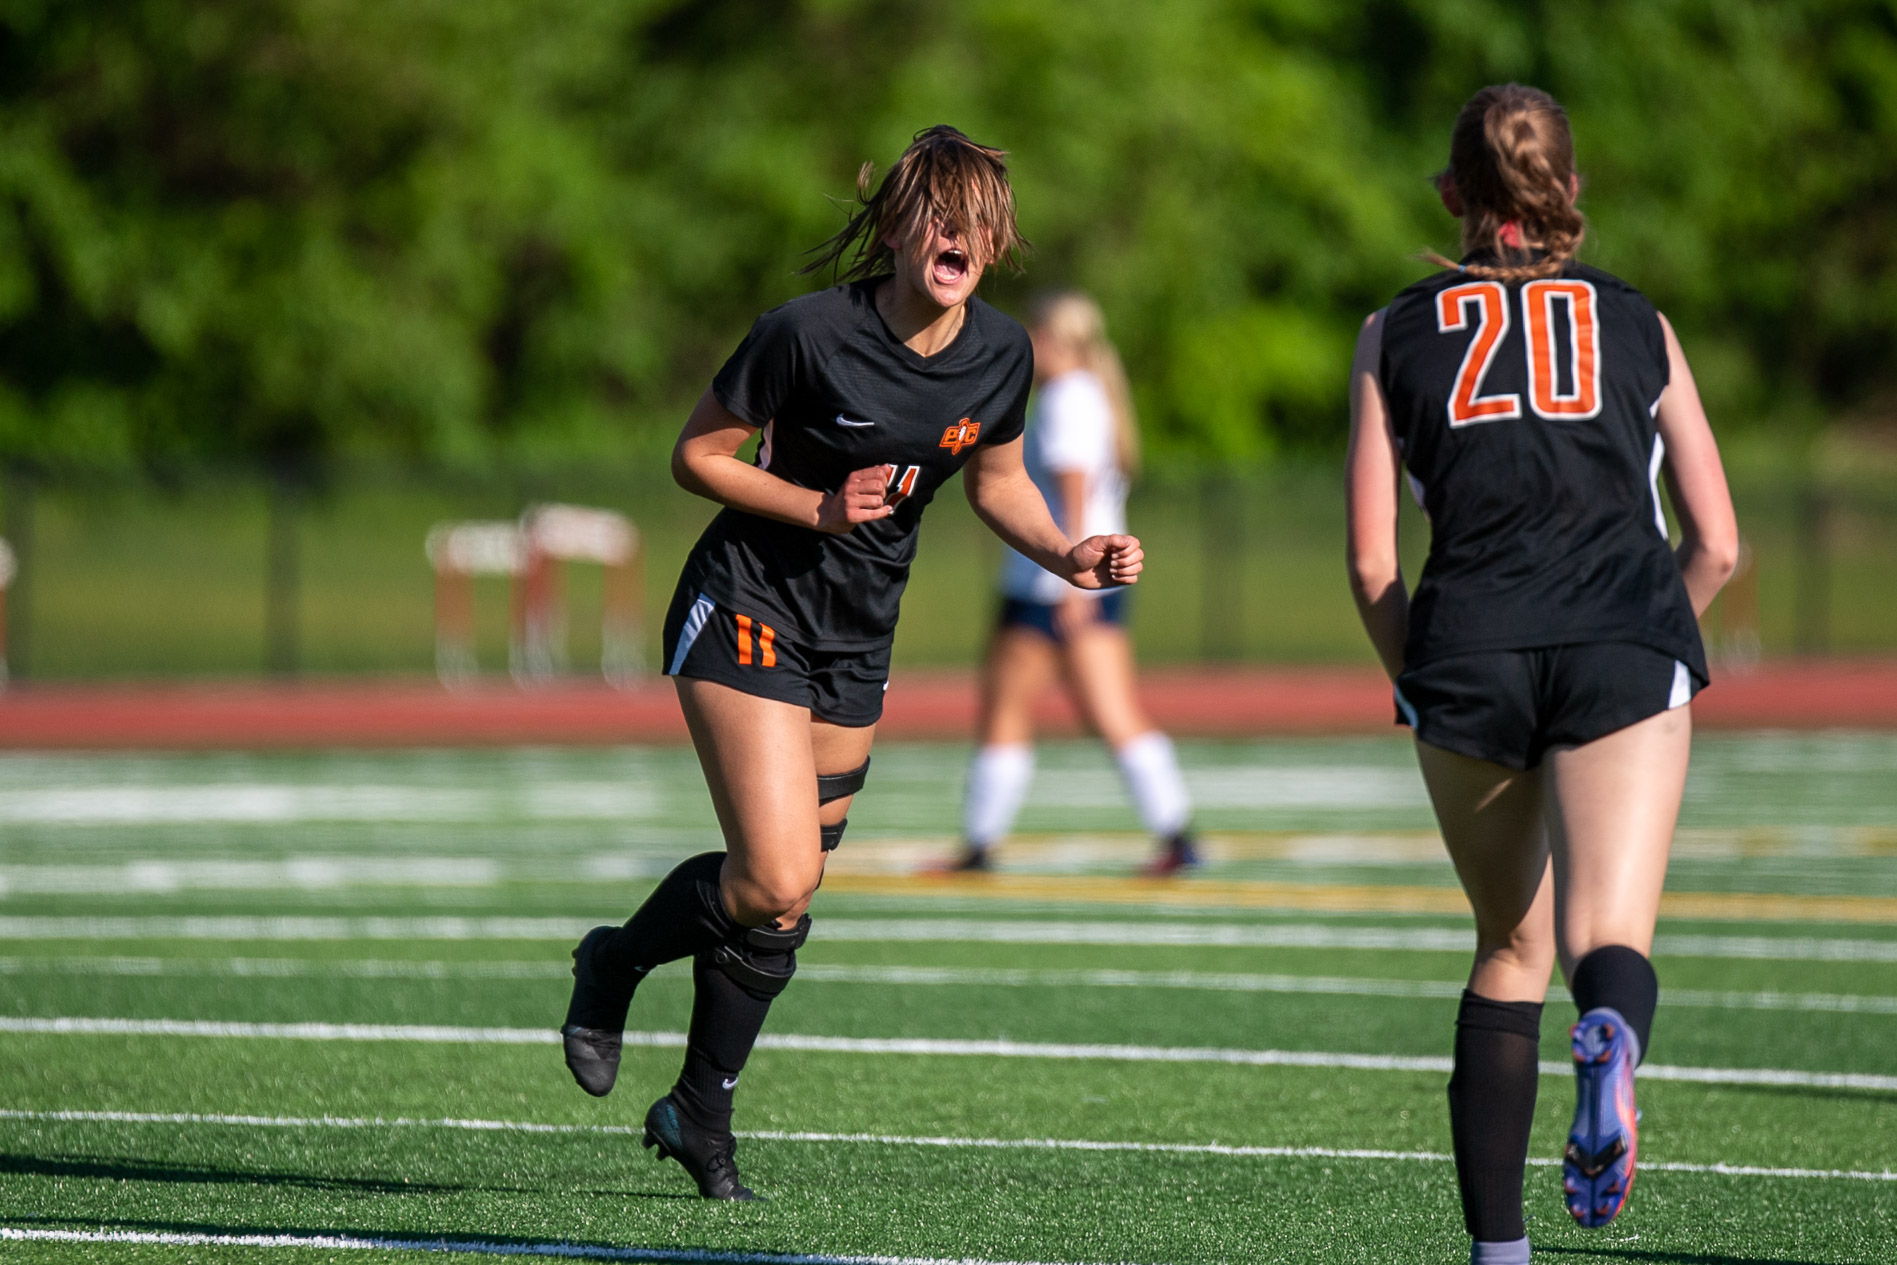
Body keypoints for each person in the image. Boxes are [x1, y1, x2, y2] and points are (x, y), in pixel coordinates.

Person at [559, 126, 1144, 1201]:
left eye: (978, 222)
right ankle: (616, 960)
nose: (958, 236)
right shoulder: (806, 333)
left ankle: (697, 1112)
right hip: (747, 602)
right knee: (776, 873)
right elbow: (696, 456)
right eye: (939, 214)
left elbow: (997, 482)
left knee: (784, 902)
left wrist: (1068, 552)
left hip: (857, 635)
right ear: (897, 226)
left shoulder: (1001, 353)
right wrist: (818, 507)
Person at [1345, 85, 1737, 1263]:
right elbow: (1716, 541)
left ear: (1451, 195)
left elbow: (1371, 559)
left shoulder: (1390, 330)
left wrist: (1417, 677)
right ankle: (1610, 1028)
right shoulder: (1638, 320)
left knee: (1506, 949)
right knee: (1601, 930)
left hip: (1467, 646)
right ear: (1570, 188)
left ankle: (1499, 1253)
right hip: (1621, 632)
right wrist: (1651, 636)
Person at [943, 290, 1199, 876]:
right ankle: (1178, 834)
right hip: (1085, 583)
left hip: (1047, 585)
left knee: (1007, 712)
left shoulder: (1065, 398)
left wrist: (1067, 586)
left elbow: (1074, 494)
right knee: (1112, 713)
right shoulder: (1093, 394)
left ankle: (979, 845)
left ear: (1056, 339)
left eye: (1035, 335)